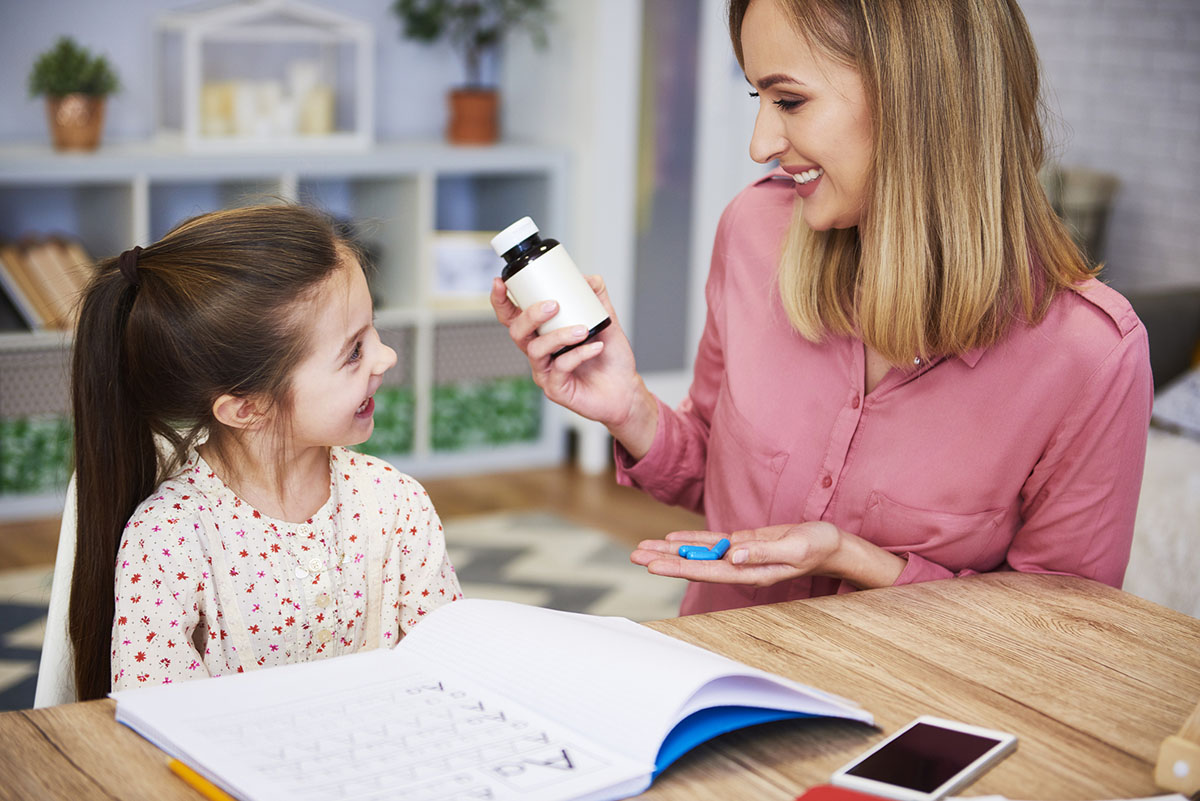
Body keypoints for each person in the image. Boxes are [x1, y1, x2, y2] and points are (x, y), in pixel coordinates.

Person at [491, 0, 1153, 616]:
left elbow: (1059, 632)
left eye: (789, 100)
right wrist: (629, 407)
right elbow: (719, 477)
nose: (760, 143)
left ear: (919, 97)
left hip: (911, 724)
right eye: (758, 98)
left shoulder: (1091, 355)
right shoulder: (753, 232)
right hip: (717, 689)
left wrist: (855, 559)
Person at [69, 205, 462, 700]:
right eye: (354, 351)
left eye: (373, 329)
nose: (387, 356)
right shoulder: (168, 539)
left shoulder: (397, 505)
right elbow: (158, 724)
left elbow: (452, 670)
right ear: (246, 408)